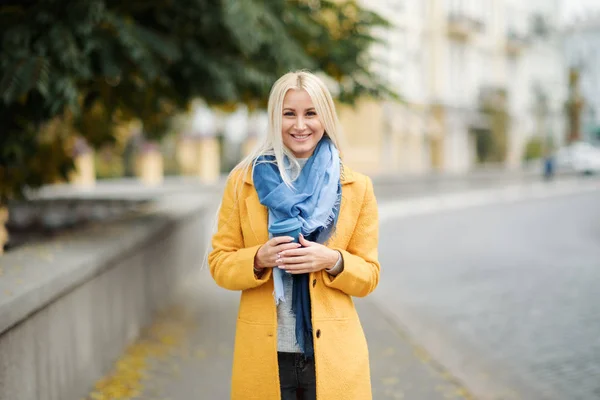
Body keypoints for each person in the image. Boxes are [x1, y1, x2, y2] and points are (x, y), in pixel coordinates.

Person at [208, 70, 380, 400]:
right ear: (275, 118)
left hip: (334, 356)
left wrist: (332, 260)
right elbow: (219, 264)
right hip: (266, 357)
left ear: (325, 117)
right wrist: (258, 258)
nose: (300, 125)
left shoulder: (356, 187)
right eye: (289, 113)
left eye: (310, 113)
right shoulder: (243, 181)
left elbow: (370, 275)